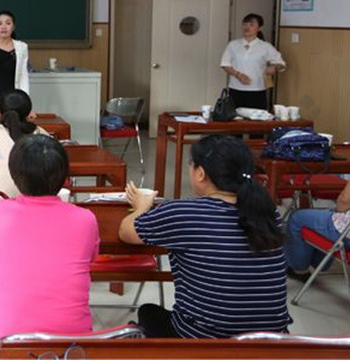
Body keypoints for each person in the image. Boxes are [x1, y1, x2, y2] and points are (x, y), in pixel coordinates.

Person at [119, 134, 291, 338]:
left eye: (190, 164)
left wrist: (141, 206)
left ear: (200, 173)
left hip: (202, 339)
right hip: (271, 340)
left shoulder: (184, 212)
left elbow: (126, 232)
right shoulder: (268, 213)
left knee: (148, 312)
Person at [0, 135, 98, 359]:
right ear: (65, 178)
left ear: (14, 175)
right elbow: (91, 257)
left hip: (3, 347)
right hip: (72, 349)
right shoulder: (85, 219)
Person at [285, 156, 350, 279]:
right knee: (325, 217)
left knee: (297, 218)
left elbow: (345, 201)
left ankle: (299, 270)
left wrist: (338, 211)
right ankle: (320, 264)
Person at [220, 13, 286, 110]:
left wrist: (274, 67)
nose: (247, 27)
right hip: (236, 89)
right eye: (245, 24)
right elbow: (225, 64)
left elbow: (281, 64)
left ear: (259, 28)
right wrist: (238, 75)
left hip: (257, 90)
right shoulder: (233, 45)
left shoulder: (265, 46)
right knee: (235, 117)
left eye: (251, 25)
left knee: (257, 117)